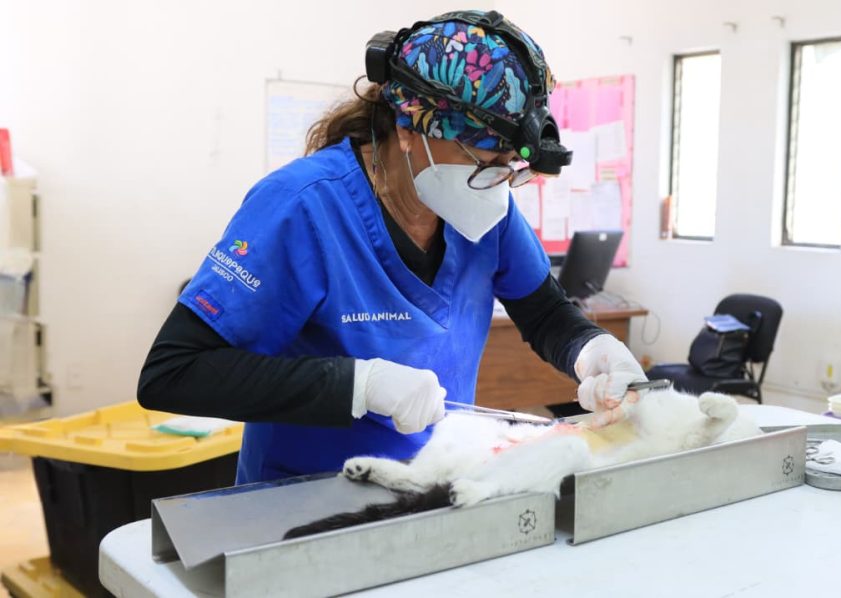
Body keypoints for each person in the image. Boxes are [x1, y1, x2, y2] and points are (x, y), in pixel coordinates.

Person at [137, 10, 647, 484]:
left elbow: (544, 313)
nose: (498, 182)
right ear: (409, 128)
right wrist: (359, 385)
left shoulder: (483, 205)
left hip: (434, 485)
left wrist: (592, 350)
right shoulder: (302, 207)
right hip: (304, 499)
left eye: (511, 167)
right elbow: (174, 372)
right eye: (485, 160)